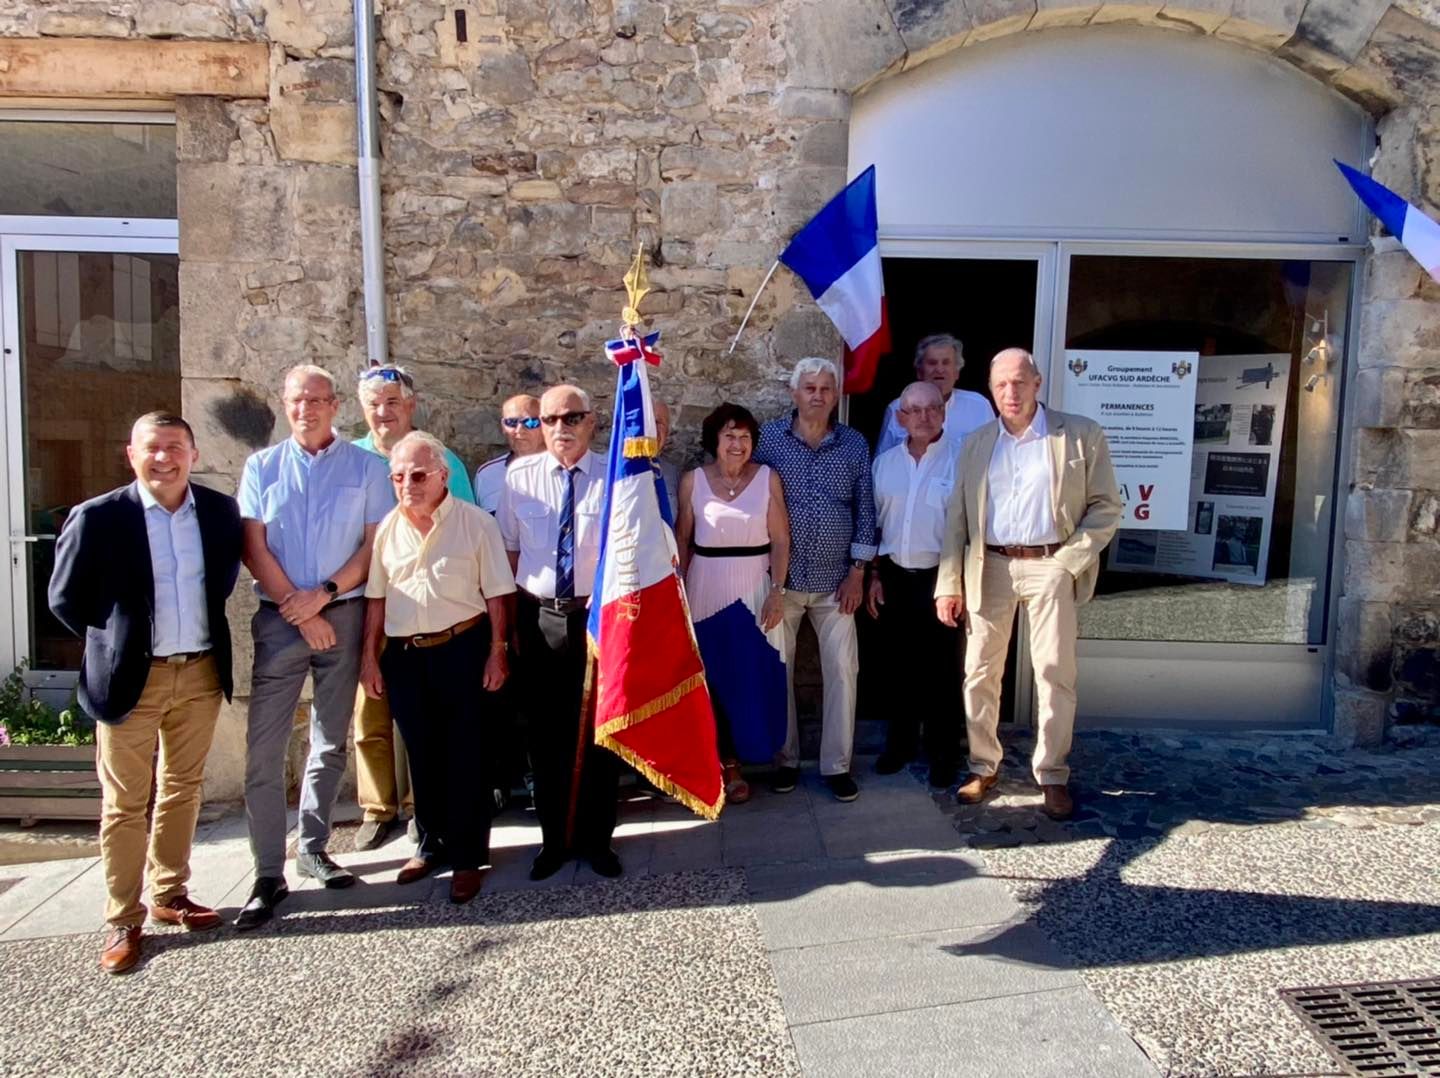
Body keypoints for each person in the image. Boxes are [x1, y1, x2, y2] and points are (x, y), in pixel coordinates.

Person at [48, 413, 243, 975]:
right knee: (125, 803)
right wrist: (116, 641)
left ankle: (170, 892)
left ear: (194, 453)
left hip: (201, 671)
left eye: (175, 447)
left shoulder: (218, 511)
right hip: (132, 677)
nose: (165, 458)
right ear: (130, 454)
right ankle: (122, 917)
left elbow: (222, 581)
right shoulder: (99, 517)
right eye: (153, 448)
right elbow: (66, 600)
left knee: (182, 789)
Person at [235, 364, 393, 929]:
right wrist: (300, 613)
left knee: (330, 739)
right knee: (264, 747)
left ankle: (314, 846)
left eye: (318, 400)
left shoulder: (368, 468)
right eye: (298, 400)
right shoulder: (261, 467)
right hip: (281, 619)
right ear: (285, 404)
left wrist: (323, 597)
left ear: (335, 406)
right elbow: (253, 546)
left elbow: (373, 547)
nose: (308, 409)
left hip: (343, 614)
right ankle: (266, 872)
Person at [935, 348, 1122, 820]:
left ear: (1038, 383)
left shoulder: (1079, 435)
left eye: (1019, 382)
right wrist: (948, 583)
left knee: (1055, 671)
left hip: (1051, 562)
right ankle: (983, 765)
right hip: (989, 565)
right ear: (991, 389)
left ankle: (1053, 773)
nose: (1010, 393)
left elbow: (1106, 507)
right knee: (979, 671)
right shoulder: (977, 443)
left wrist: (1067, 562)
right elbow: (958, 519)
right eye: (1001, 385)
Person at [360, 432, 516, 904]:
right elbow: (376, 599)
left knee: (466, 755)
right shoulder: (387, 527)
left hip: (463, 648)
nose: (408, 483)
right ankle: (430, 846)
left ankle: (469, 857)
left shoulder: (475, 524)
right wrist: (369, 656)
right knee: (422, 754)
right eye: (399, 476)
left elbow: (497, 595)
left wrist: (498, 650)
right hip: (406, 656)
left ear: (442, 476)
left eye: (418, 474)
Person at [498, 384, 620, 880]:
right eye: (549, 420)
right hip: (540, 616)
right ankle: (553, 841)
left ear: (592, 422)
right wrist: (508, 631)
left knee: (600, 732)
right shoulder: (519, 478)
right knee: (546, 735)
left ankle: (598, 841)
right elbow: (509, 553)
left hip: (596, 617)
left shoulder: (614, 477)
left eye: (571, 418)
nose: (560, 429)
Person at [352, 364, 473, 850]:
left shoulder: (444, 460)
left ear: (411, 405)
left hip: (425, 602)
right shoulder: (352, 459)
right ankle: (376, 806)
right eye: (374, 403)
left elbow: (465, 524)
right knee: (369, 707)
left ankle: (416, 808)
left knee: (415, 712)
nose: (383, 412)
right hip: (362, 594)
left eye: (392, 402)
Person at [753, 357, 876, 802]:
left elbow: (866, 508)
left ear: (835, 395)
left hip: (835, 582)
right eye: (810, 388)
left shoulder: (854, 444)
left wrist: (858, 572)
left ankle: (837, 766)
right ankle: (784, 760)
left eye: (826, 388)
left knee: (843, 670)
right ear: (794, 393)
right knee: (778, 670)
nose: (818, 396)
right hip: (779, 583)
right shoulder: (767, 439)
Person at [675, 403, 791, 805]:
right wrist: (679, 597)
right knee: (714, 679)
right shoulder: (693, 481)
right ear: (715, 441)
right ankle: (725, 765)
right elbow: (683, 541)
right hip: (706, 586)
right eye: (729, 436)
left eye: (744, 436)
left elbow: (780, 540)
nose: (737, 444)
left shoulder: (767, 479)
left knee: (753, 673)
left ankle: (756, 752)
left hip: (754, 587)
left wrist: (777, 591)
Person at [868, 382, 965, 788]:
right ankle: (901, 744)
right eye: (914, 410)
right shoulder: (884, 464)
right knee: (898, 667)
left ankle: (944, 753)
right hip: (892, 575)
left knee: (942, 672)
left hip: (940, 578)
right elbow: (872, 521)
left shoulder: (962, 460)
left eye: (932, 408)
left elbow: (970, 526)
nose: (923, 417)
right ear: (900, 417)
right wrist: (873, 574)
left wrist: (956, 583)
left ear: (943, 412)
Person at [875, 334, 994, 457]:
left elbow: (995, 456)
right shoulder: (898, 408)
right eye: (932, 363)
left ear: (957, 372)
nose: (939, 369)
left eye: (946, 363)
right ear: (919, 372)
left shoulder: (979, 406)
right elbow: (882, 462)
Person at [473, 394, 544, 513]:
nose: (519, 430)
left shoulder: (566, 471)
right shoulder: (487, 474)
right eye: (512, 422)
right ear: (503, 426)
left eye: (530, 422)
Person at [652, 399, 680, 521]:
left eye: (659, 422)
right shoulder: (605, 471)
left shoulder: (673, 474)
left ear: (667, 432)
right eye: (646, 422)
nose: (651, 429)